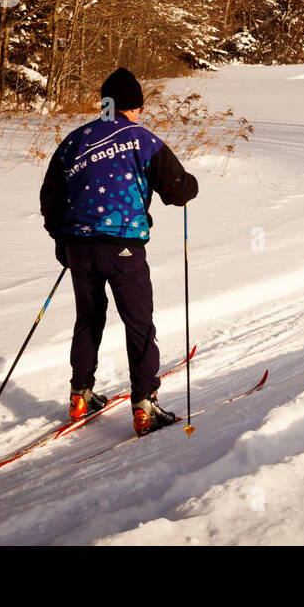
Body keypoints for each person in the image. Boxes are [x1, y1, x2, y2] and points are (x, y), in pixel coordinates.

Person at [39, 67, 198, 435]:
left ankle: (81, 393)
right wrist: (190, 186)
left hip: (80, 246)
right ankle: (145, 404)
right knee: (138, 322)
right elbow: (176, 189)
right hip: (123, 245)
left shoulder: (74, 141)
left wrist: (62, 240)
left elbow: (51, 197)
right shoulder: (141, 139)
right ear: (134, 106)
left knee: (89, 318)